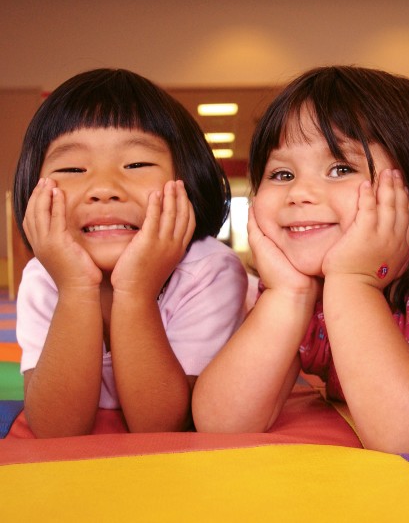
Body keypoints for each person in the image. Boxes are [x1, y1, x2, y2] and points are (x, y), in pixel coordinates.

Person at [193, 66, 409, 456]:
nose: (299, 193)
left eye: (340, 168)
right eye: (281, 174)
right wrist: (287, 294)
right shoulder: (305, 295)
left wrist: (355, 282)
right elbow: (222, 424)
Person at [13, 68, 248, 437]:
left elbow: (161, 426)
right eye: (73, 168)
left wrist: (136, 291)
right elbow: (55, 432)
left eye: (136, 164)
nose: (104, 188)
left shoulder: (209, 270)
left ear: (187, 179)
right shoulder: (44, 277)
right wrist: (75, 289)